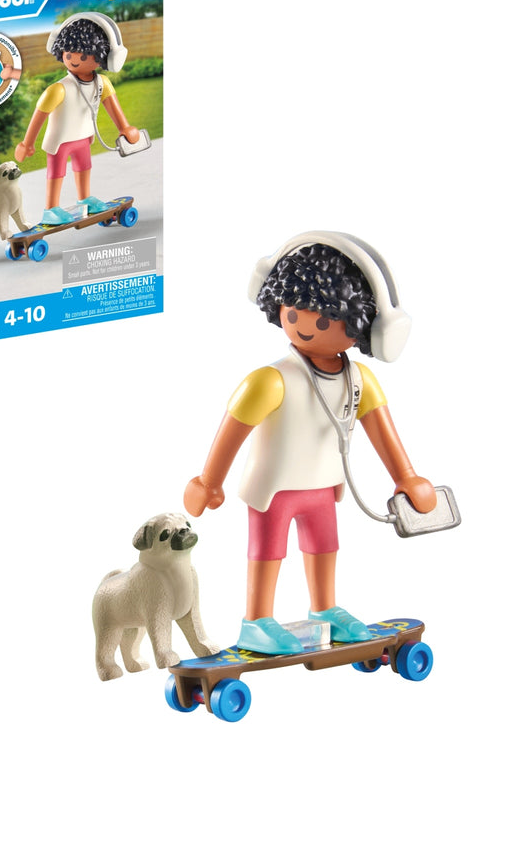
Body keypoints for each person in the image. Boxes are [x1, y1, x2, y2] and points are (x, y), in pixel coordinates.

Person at [183, 233, 437, 656]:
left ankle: (325, 608)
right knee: (268, 552)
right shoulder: (271, 380)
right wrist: (209, 481)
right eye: (293, 312)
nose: (304, 325)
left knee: (324, 546)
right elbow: (233, 430)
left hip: (323, 486)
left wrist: (406, 477)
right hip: (274, 489)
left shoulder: (360, 380)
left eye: (323, 321)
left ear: (364, 327)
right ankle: (256, 620)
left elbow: (382, 431)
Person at [14, 13, 140, 224]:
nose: (73, 60)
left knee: (84, 167)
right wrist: (27, 144)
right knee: (57, 173)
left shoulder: (102, 83)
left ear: (104, 57)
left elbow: (113, 107)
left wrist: (125, 128)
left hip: (83, 137)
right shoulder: (58, 89)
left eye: (83, 57)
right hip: (60, 142)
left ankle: (84, 198)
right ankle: (51, 208)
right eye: (68, 54)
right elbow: (39, 116)